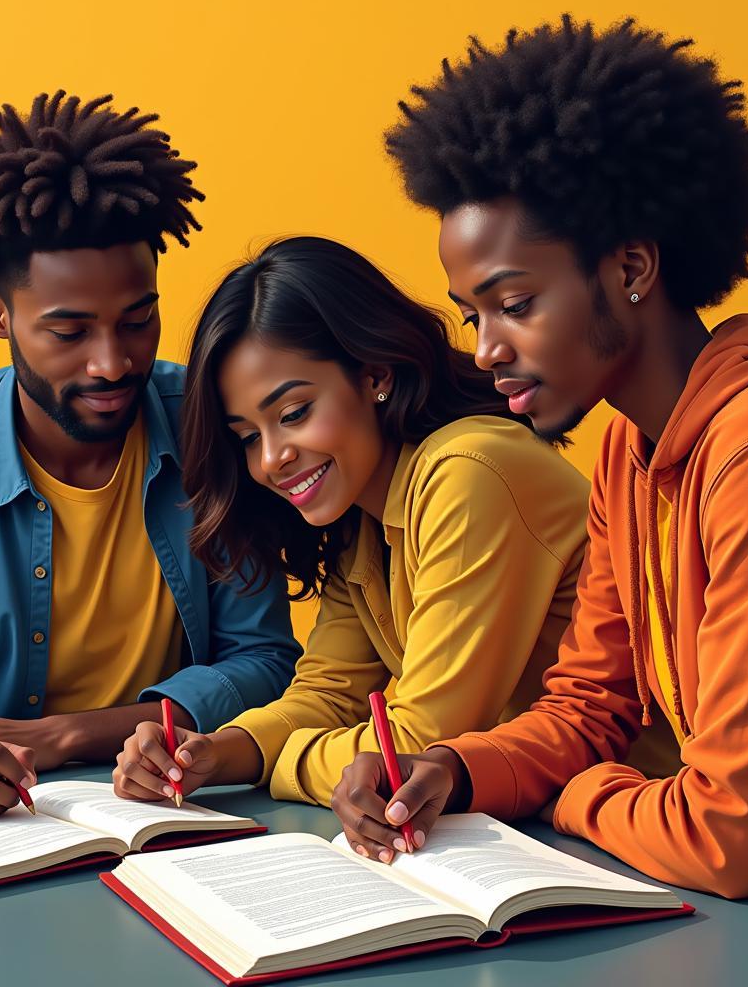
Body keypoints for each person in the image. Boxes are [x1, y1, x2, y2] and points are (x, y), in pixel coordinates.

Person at [330, 18, 748, 920]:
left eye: (514, 305)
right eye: (473, 314)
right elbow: (591, 705)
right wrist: (455, 771)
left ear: (630, 268)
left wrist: (566, 797)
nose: (487, 349)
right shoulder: (634, 444)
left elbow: (736, 836)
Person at [0, 92, 300, 819]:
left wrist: (65, 736)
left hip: (175, 807)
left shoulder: (216, 428)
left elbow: (265, 660)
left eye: (138, 319)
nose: (112, 363)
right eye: (70, 332)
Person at [112, 236, 595, 822]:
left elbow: (414, 742)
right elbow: (327, 694)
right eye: (246, 436)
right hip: (534, 820)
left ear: (374, 374)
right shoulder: (362, 515)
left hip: (624, 821)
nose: (271, 460)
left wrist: (280, 761)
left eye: (293, 414)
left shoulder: (469, 473)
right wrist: (210, 753)